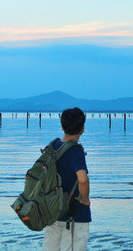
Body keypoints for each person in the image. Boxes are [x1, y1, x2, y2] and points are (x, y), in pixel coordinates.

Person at [42, 107, 91, 251]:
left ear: (62, 126)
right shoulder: (75, 151)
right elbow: (82, 179)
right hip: (75, 214)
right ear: (82, 128)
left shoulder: (54, 146)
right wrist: (85, 199)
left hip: (53, 210)